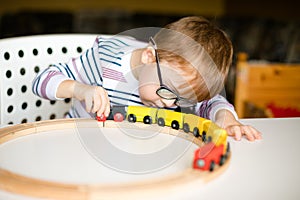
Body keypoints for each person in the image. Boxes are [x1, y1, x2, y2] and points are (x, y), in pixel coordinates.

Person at [32, 16, 261, 141]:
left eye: (182, 101)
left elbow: (211, 104)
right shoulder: (106, 58)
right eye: (168, 91)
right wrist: (81, 90)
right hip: (74, 146)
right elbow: (42, 80)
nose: (170, 105)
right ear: (150, 56)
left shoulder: (178, 85)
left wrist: (226, 117)